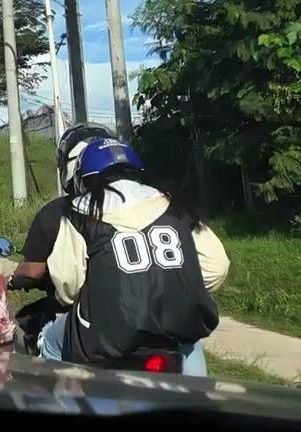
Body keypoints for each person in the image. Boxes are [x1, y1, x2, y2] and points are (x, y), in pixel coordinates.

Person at [37, 137, 229, 375]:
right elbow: (216, 267)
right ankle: (197, 402)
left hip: (106, 334)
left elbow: (69, 285)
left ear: (84, 177)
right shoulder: (174, 204)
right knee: (187, 344)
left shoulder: (80, 211)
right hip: (172, 323)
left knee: (51, 341)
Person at [13, 122, 116, 286]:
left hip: (82, 306)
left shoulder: (57, 212)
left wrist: (12, 276)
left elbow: (33, 271)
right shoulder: (149, 205)